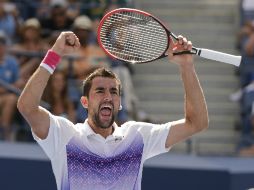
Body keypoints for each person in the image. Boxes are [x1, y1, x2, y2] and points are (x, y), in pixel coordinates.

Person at [17, 31, 209, 190]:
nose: (108, 97)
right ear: (85, 102)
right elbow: (27, 107)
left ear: (119, 103)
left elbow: (196, 123)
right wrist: (55, 53)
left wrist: (186, 66)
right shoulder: (64, 135)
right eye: (100, 91)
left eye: (113, 92)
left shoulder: (137, 136)